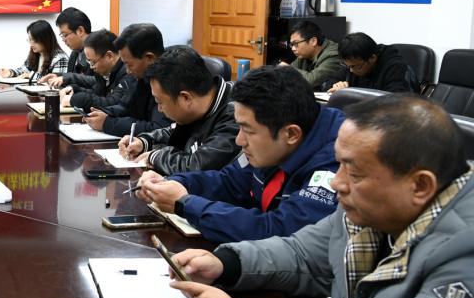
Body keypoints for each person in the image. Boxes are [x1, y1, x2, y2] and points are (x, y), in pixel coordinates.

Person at [169, 96, 474, 298]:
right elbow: (303, 254)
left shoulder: (465, 251)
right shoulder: (369, 207)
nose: (336, 183)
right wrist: (226, 264)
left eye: (354, 172)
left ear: (420, 185)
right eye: (338, 164)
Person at [138, 65, 342, 243]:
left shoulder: (338, 161)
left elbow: (282, 232)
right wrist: (174, 182)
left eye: (248, 130)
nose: (239, 140)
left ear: (291, 134)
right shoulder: (273, 143)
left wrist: (186, 205)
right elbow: (229, 181)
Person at [119, 46, 239, 174]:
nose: (159, 109)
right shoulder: (200, 106)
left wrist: (155, 157)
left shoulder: (237, 115)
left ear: (186, 98)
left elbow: (197, 166)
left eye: (159, 102)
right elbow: (176, 130)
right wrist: (144, 141)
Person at [84, 23, 170, 137]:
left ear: (149, 58)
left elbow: (158, 128)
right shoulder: (139, 75)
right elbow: (125, 106)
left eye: (129, 64)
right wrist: (105, 112)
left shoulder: (168, 80)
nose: (128, 71)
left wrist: (108, 123)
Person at [57, 30, 134, 112]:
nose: (91, 67)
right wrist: (75, 89)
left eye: (93, 62)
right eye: (89, 62)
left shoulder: (129, 72)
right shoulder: (105, 72)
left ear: (109, 56)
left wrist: (74, 99)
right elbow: (97, 93)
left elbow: (112, 103)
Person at [325, 32, 417, 94]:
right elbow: (329, 83)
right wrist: (336, 87)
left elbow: (396, 99)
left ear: (372, 58)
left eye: (356, 67)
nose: (351, 71)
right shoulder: (353, 62)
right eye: (347, 66)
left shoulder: (396, 67)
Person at [0, 19, 68, 82]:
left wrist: (30, 75)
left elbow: (54, 80)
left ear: (45, 40)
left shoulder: (60, 58)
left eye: (35, 40)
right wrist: (11, 72)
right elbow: (24, 70)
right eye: (30, 40)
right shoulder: (36, 54)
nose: (31, 44)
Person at [280, 21, 340, 90]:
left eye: (296, 44)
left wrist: (288, 69)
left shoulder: (333, 54)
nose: (293, 49)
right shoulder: (303, 55)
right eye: (292, 45)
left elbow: (312, 81)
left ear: (313, 41)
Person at [40, 7, 93, 85]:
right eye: (62, 35)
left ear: (80, 31)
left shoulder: (99, 48)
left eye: (65, 35)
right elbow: (75, 77)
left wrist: (66, 78)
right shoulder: (75, 53)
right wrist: (58, 76)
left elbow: (99, 82)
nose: (63, 40)